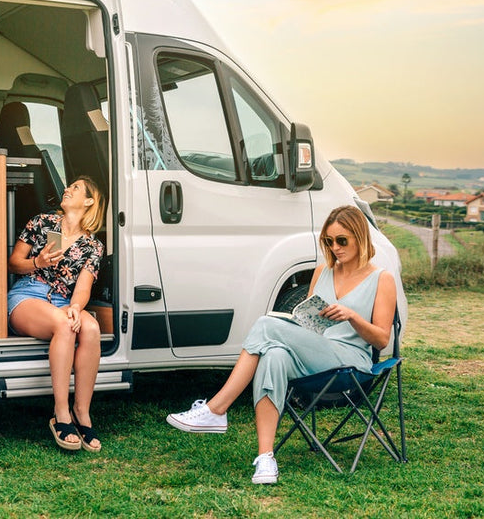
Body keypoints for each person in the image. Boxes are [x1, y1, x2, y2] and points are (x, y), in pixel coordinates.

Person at [165, 205, 396, 484]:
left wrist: (353, 316)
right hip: (316, 351)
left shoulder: (381, 279)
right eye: (329, 241)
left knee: (265, 325)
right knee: (273, 354)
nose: (335, 247)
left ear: (360, 237)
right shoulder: (322, 271)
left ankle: (217, 409)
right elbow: (309, 321)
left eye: (342, 240)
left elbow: (382, 339)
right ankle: (265, 459)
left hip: (351, 362)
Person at [7, 176, 107, 452]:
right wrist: (36, 262)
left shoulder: (93, 246)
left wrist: (76, 307)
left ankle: (82, 412)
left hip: (64, 300)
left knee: (90, 328)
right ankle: (61, 413)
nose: (67, 189)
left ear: (89, 201)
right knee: (65, 326)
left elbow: (84, 286)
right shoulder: (42, 223)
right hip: (29, 293)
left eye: (75, 188)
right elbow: (14, 264)